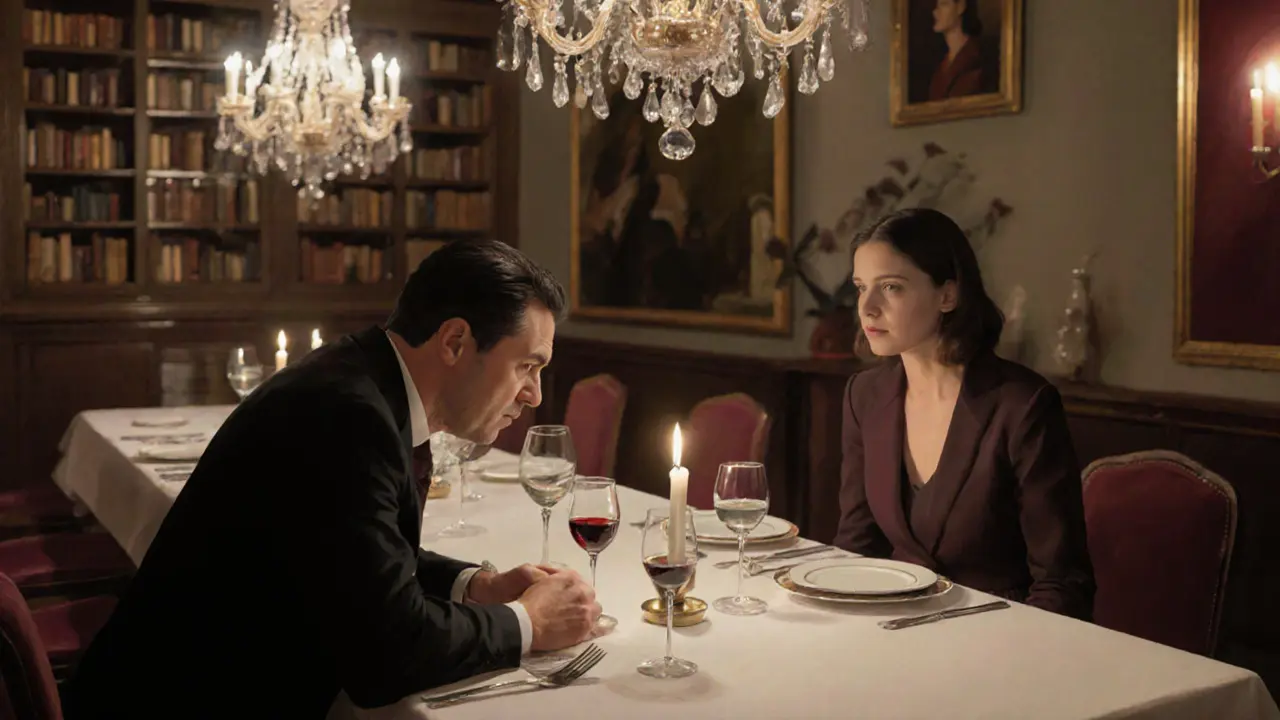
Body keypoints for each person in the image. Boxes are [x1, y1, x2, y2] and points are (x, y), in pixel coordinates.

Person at [64, 240, 603, 718]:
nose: (534, 395)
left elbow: (355, 556)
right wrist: (526, 623)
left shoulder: (360, 383)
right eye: (526, 366)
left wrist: (475, 586)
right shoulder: (348, 417)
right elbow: (385, 655)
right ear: (455, 342)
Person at [833, 208, 1094, 619]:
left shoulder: (1022, 405)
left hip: (999, 634)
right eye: (861, 287)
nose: (867, 307)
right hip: (892, 631)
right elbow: (856, 548)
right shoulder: (864, 395)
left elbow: (1062, 582)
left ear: (948, 296)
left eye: (891, 287)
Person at [927, 0, 985, 101]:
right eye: (936, 6)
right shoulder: (940, 66)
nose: (935, 12)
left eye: (944, 4)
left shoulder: (976, 57)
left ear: (960, 7)